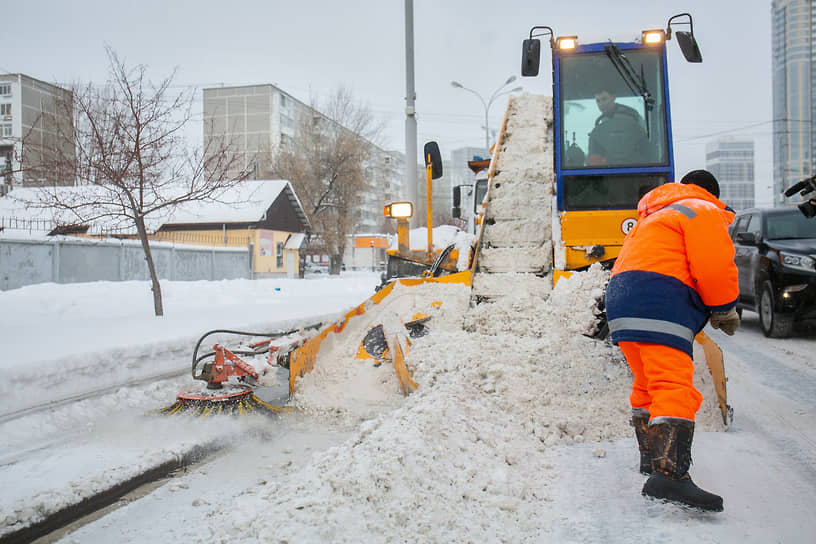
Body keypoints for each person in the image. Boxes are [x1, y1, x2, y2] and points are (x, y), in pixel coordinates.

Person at [604, 169, 740, 512]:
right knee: (673, 384)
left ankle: (651, 458)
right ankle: (670, 475)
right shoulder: (702, 209)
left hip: (621, 297)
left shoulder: (657, 215)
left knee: (647, 381)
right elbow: (713, 265)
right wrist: (723, 307)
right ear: (711, 192)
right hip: (659, 297)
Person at [587, 89, 651, 166]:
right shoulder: (602, 121)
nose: (601, 104)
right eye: (598, 101)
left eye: (604, 99)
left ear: (613, 97)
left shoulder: (631, 116)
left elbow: (642, 140)